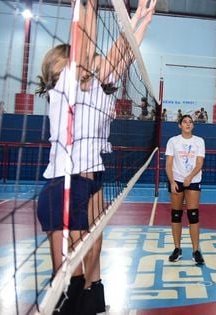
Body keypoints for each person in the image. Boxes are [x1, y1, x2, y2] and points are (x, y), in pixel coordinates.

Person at [34, 0, 156, 313]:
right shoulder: (67, 87)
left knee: (94, 247)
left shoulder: (98, 89)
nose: (100, 59)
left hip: (92, 178)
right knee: (69, 273)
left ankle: (92, 301)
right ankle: (71, 303)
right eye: (90, 57)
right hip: (65, 183)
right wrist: (87, 4)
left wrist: (138, 18)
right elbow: (85, 39)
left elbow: (124, 52)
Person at [165, 114, 206, 265]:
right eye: (185, 122)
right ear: (180, 125)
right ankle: (177, 249)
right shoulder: (173, 141)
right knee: (176, 215)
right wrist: (171, 181)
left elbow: (199, 162)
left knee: (193, 215)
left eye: (190, 122)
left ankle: (196, 251)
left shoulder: (199, 141)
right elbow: (168, 164)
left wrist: (190, 177)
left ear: (193, 125)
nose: (188, 124)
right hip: (176, 180)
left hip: (193, 180)